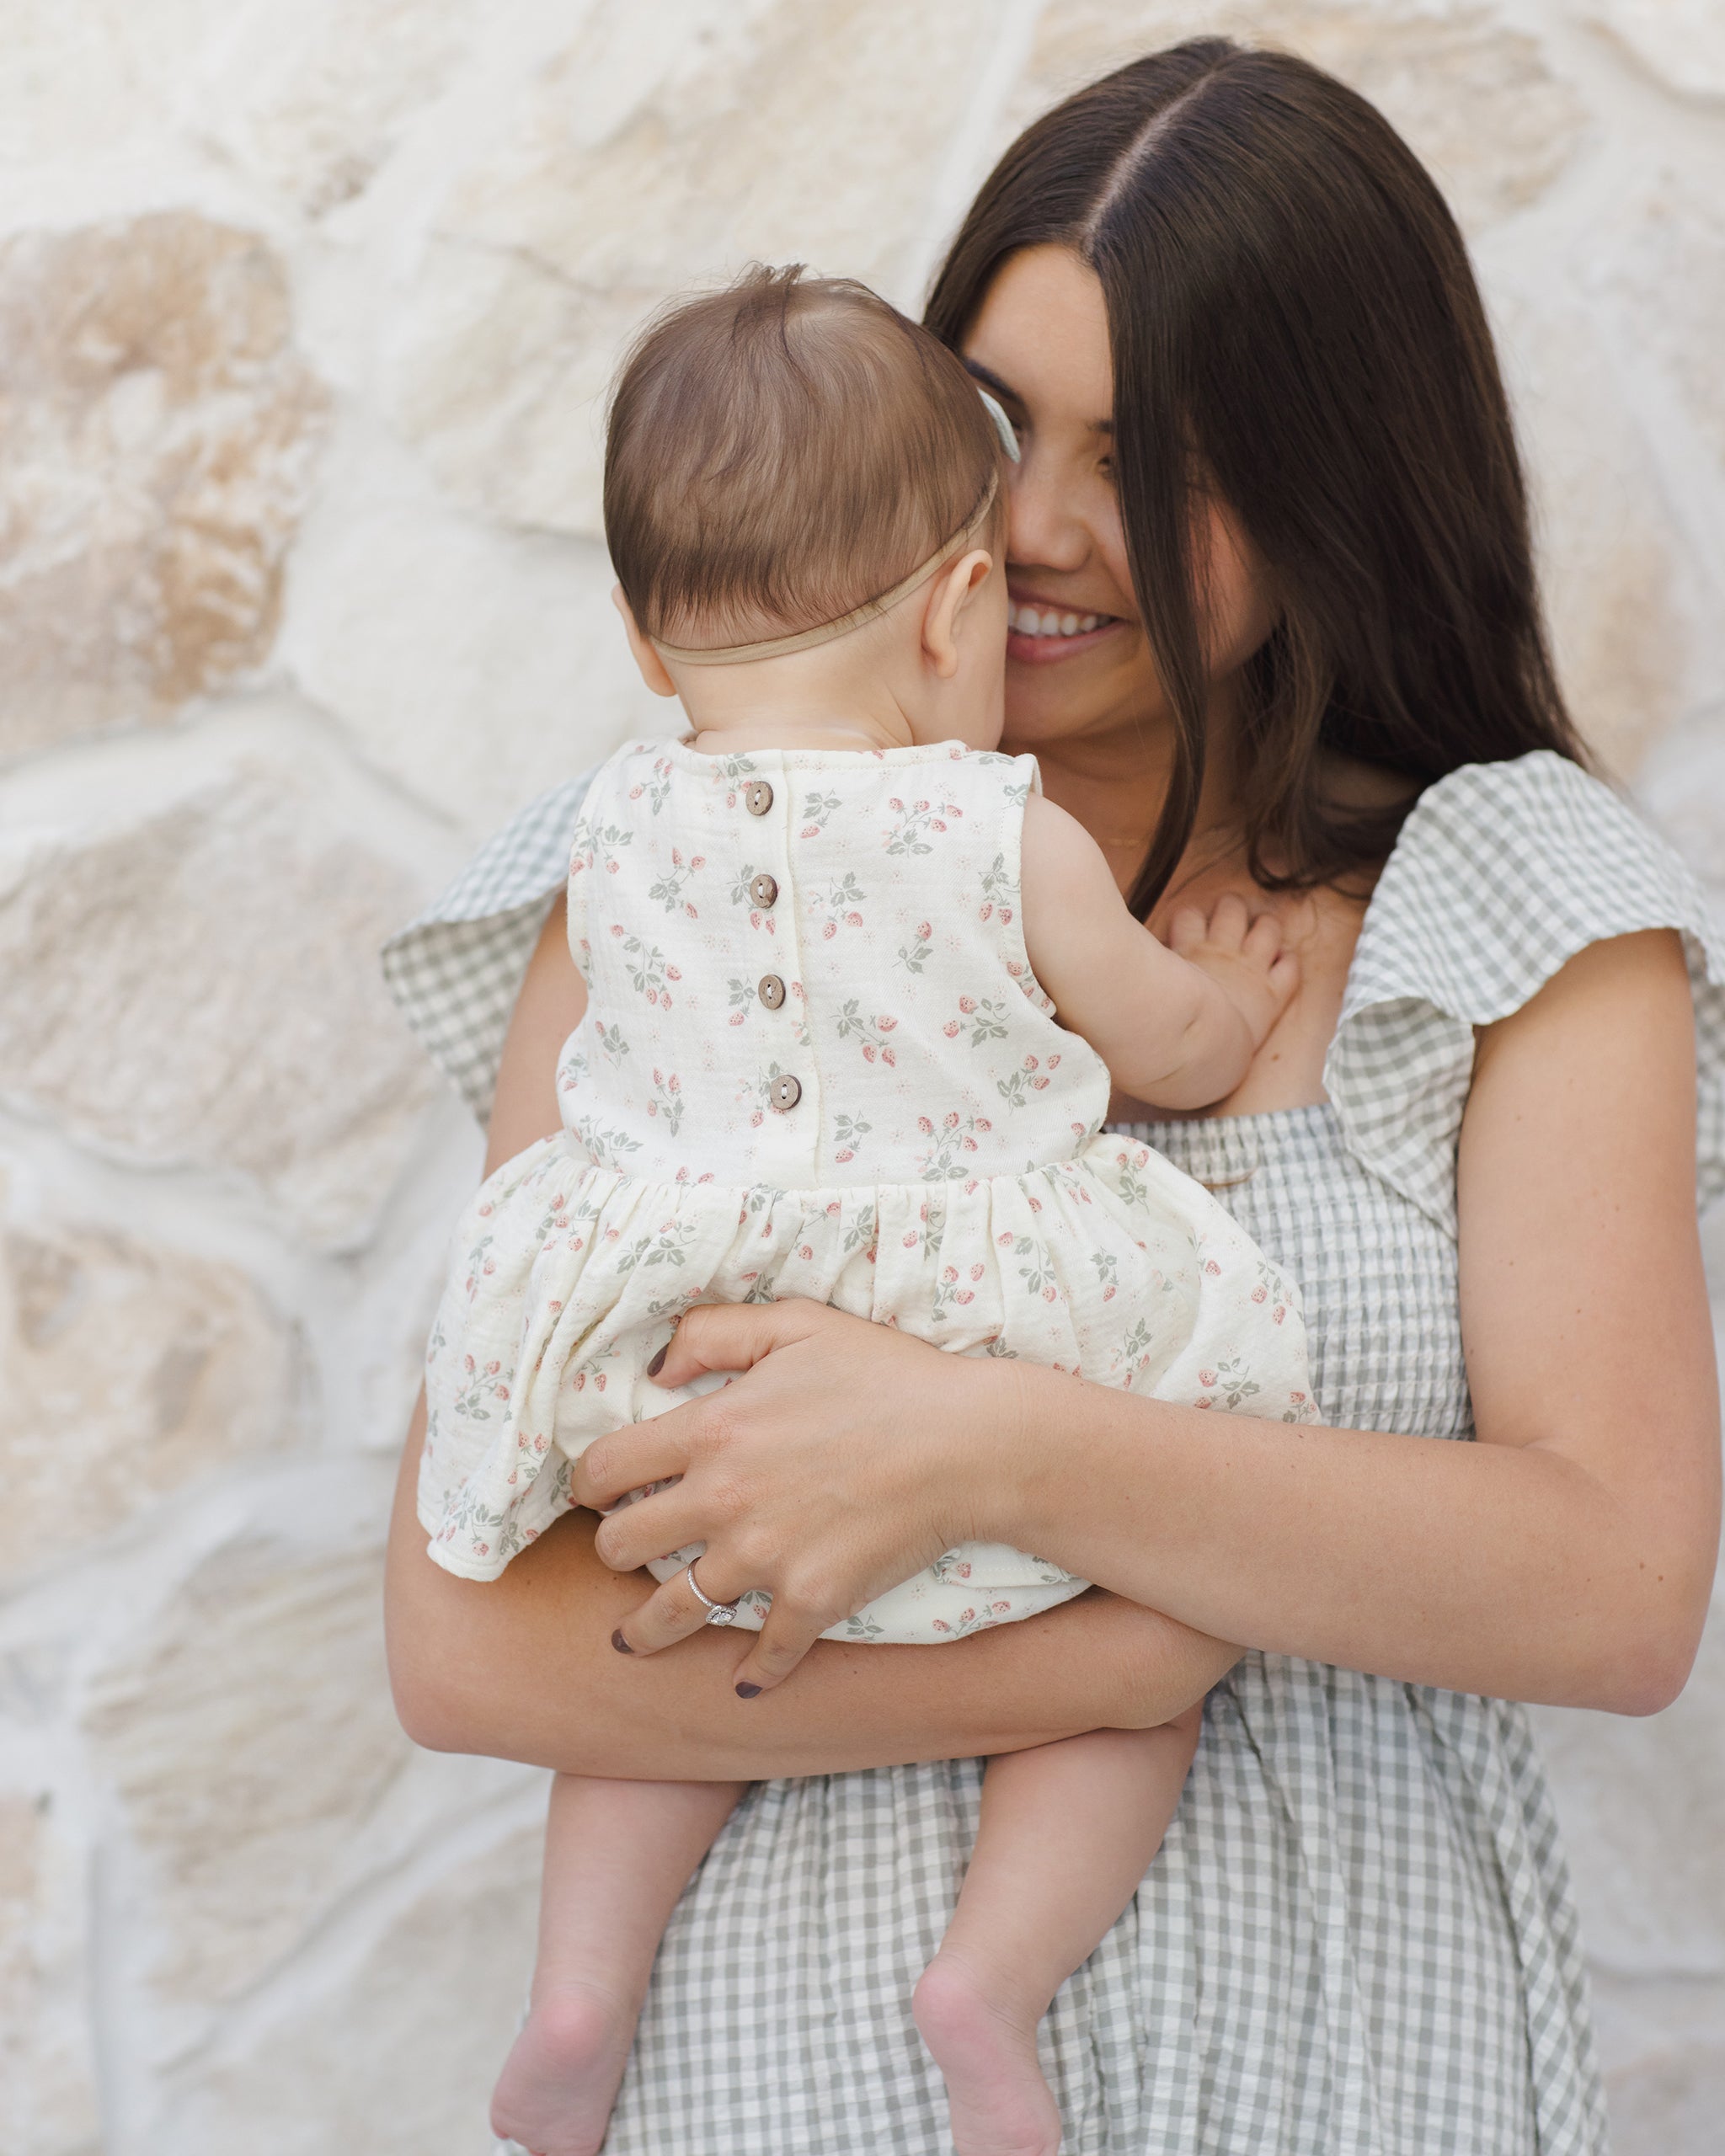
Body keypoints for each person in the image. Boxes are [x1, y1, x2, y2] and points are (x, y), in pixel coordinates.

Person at [382, 38, 1723, 2156]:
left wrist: (989, 1442)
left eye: (1159, 455)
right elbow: (468, 1645)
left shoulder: (1512, 902)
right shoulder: (677, 870)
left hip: (1345, 2057)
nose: (1038, 523)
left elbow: (1616, 1588)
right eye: (1003, 421)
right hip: (780, 2072)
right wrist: (1088, 1667)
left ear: (1343, 480)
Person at [426, 266, 1312, 2156]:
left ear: (646, 648)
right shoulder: (997, 828)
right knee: (1132, 1653)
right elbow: (1162, 1045)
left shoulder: (610, 833)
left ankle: (579, 1992)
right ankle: (984, 1986)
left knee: (659, 1681)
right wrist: (1226, 989)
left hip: (695, 1360)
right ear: (962, 604)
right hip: (976, 1334)